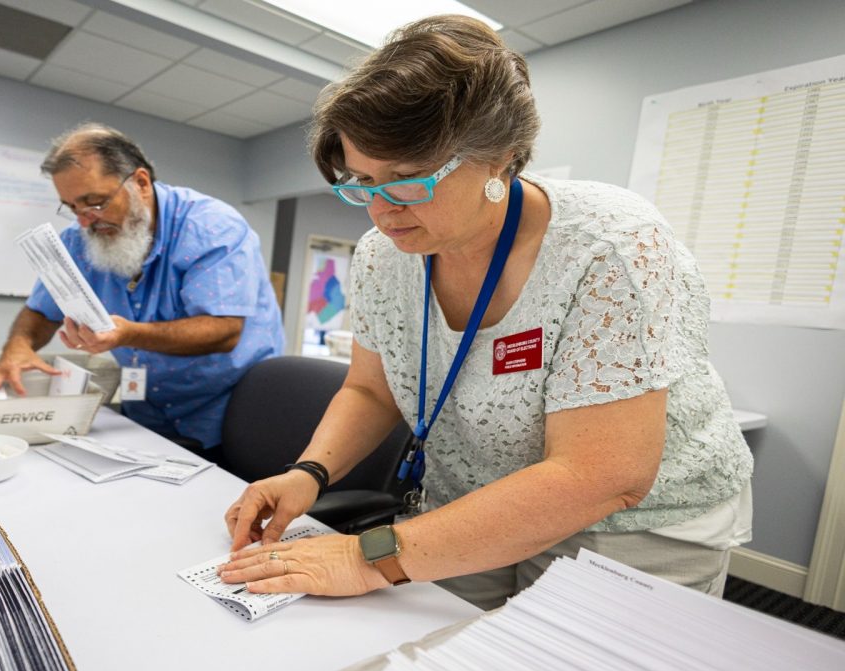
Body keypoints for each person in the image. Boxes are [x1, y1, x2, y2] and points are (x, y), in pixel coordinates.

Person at [219, 15, 753, 608]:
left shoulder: (611, 245)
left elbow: (601, 475)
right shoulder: (381, 257)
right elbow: (372, 391)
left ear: (499, 158)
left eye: (407, 180)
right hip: (469, 500)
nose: (380, 210)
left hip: (630, 524)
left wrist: (364, 556)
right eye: (362, 181)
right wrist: (309, 474)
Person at [0, 123, 284, 462]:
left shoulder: (213, 227)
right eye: (72, 207)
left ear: (140, 183)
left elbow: (222, 331)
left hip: (228, 411)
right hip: (146, 411)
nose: (84, 221)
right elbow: (39, 312)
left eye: (94, 202)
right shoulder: (79, 241)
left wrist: (127, 334)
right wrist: (18, 348)